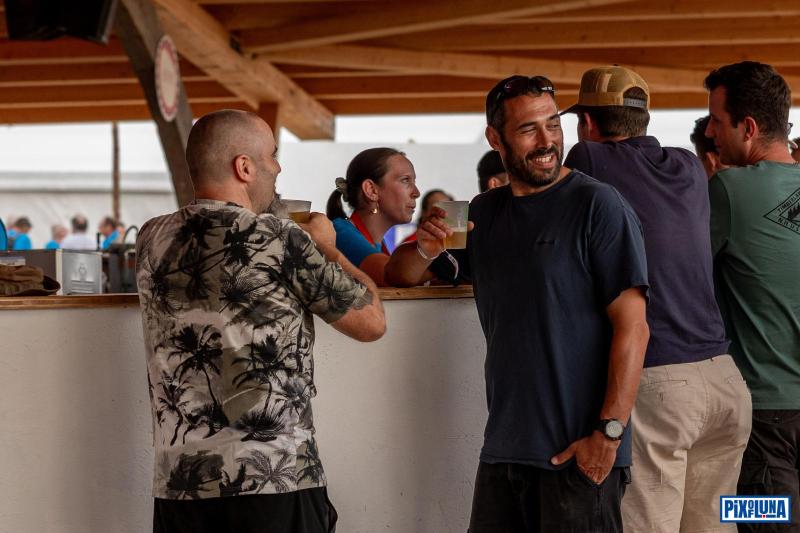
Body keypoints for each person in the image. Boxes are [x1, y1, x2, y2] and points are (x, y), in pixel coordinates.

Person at [399, 75, 650, 532]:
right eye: (528, 129)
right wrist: (425, 246)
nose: (547, 141)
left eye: (552, 124)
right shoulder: (483, 213)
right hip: (503, 451)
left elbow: (633, 327)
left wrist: (609, 435)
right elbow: (403, 275)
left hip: (579, 453)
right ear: (496, 138)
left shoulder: (598, 204)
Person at [136, 109, 386, 533]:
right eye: (272, 155)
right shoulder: (281, 238)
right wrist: (328, 248)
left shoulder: (150, 238)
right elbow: (371, 322)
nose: (278, 167)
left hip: (181, 483)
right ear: (244, 167)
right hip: (273, 477)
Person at [562, 65, 751, 533]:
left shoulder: (587, 158)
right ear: (644, 119)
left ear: (587, 123)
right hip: (724, 381)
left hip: (661, 384)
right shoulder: (688, 165)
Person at [704, 61, 800, 531]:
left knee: (753, 522)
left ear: (749, 127)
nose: (709, 132)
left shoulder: (727, 189)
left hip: (763, 422)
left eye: (716, 120)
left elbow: (677, 275)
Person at [326, 148, 460, 287]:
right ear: (371, 190)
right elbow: (390, 277)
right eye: (405, 180)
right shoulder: (340, 233)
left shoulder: (378, 243)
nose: (417, 193)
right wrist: (440, 261)